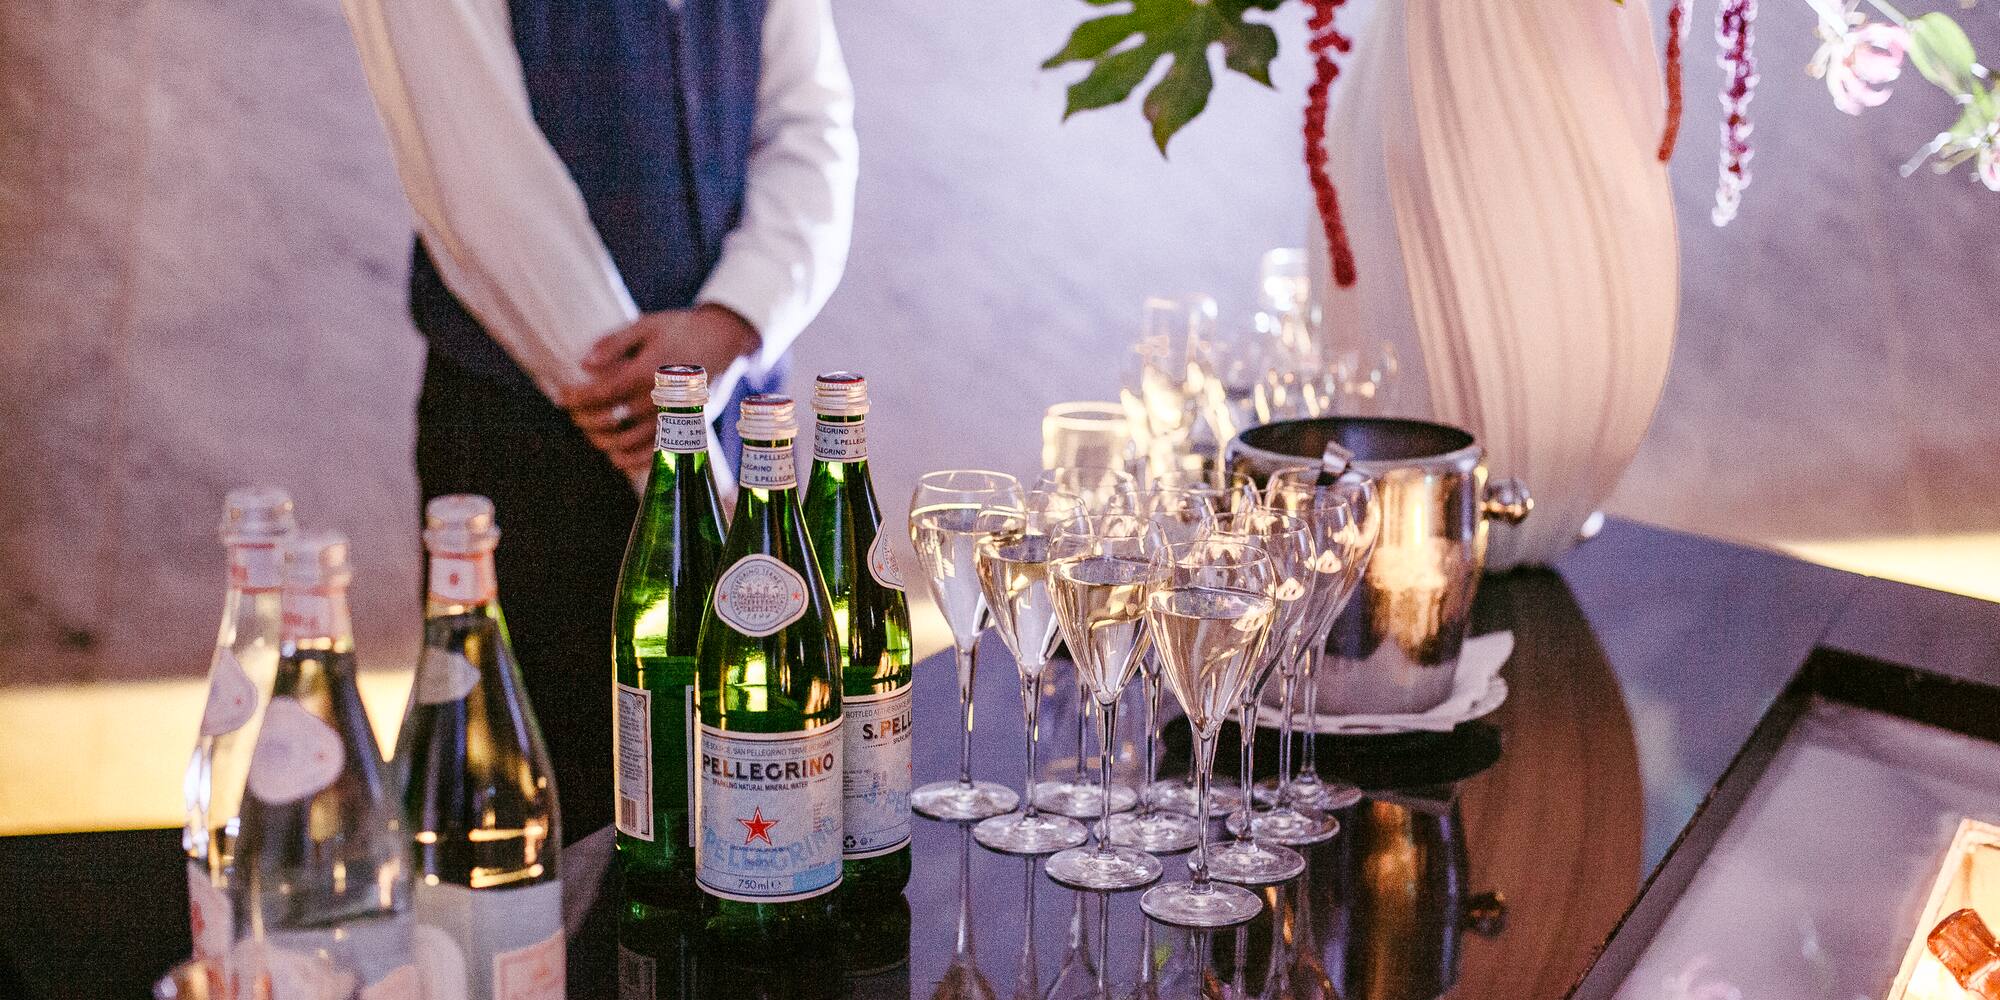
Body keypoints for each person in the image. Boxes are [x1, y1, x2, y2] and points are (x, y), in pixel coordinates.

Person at [343, 0, 859, 839]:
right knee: (548, 812)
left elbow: (811, 123)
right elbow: (478, 170)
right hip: (530, 441)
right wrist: (664, 433)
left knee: (752, 795)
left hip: (741, 414)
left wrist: (734, 319)